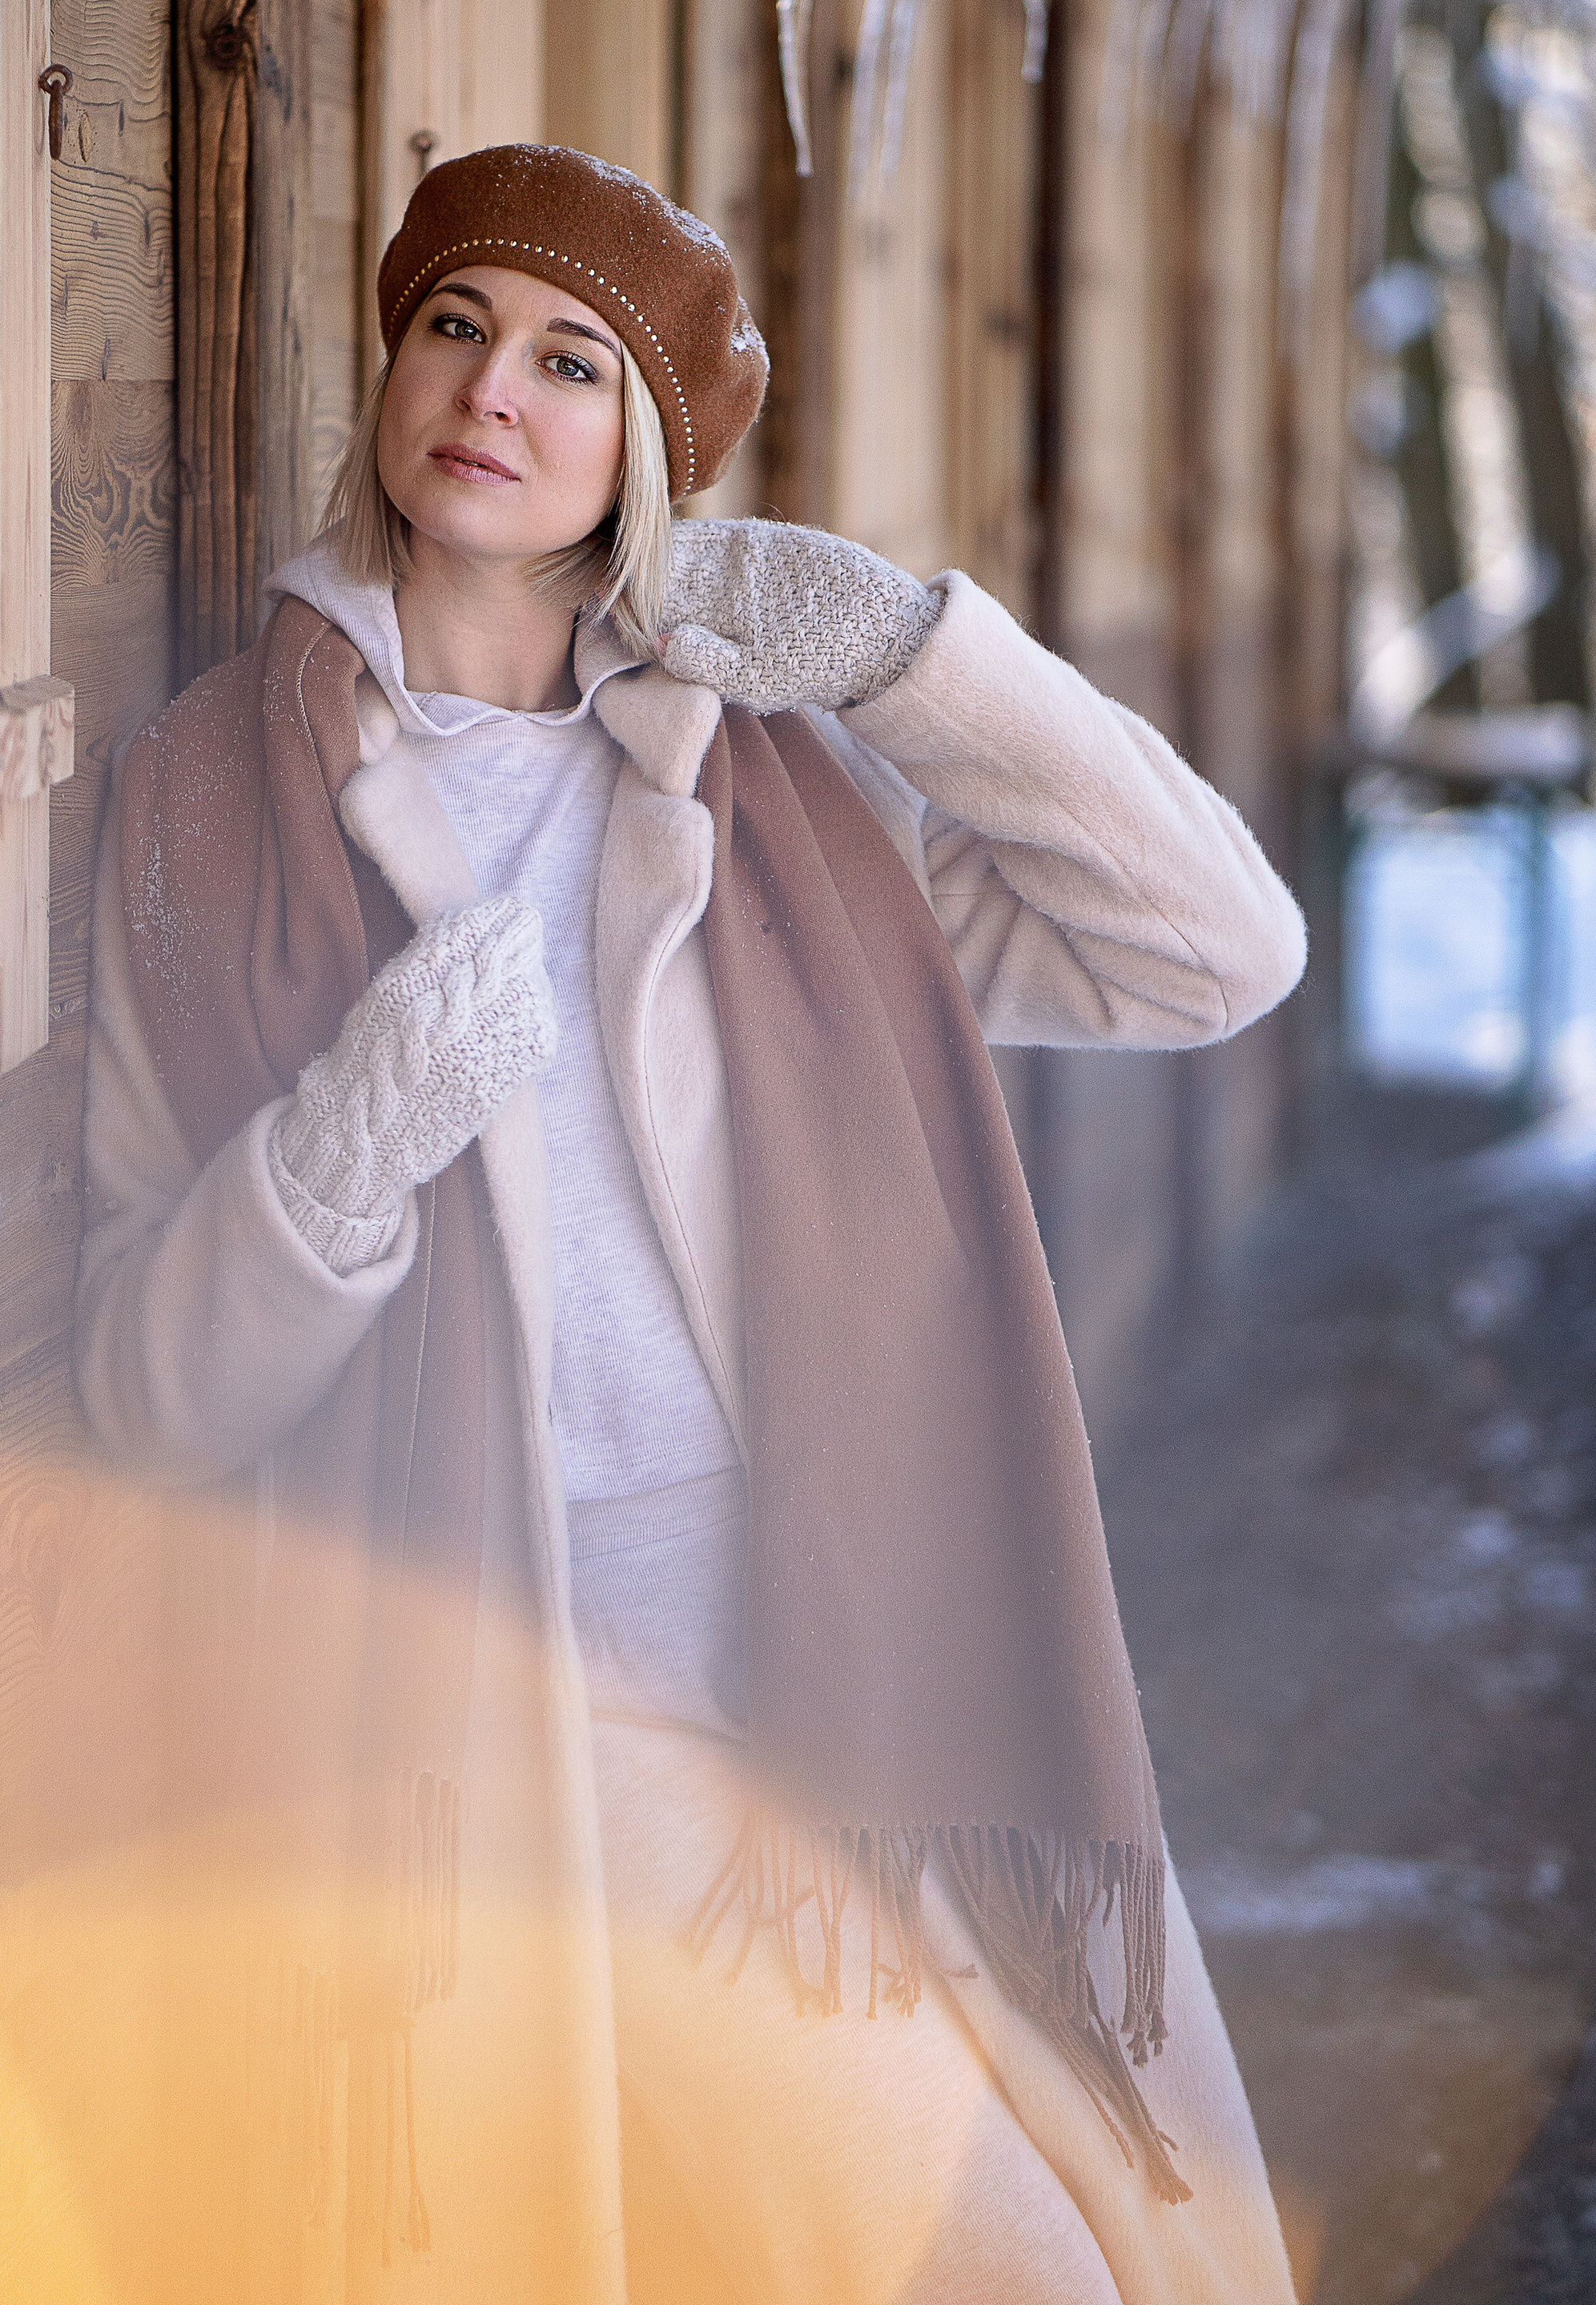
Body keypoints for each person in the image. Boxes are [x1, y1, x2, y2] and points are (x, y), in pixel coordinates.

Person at [76, 143, 1306, 2303]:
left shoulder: (771, 799)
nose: (494, 391)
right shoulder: (207, 801)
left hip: (861, 1659)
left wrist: (920, 657)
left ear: (645, 453)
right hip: (530, 1715)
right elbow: (143, 1398)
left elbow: (1215, 950)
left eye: (572, 363)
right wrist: (340, 1154)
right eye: (455, 326)